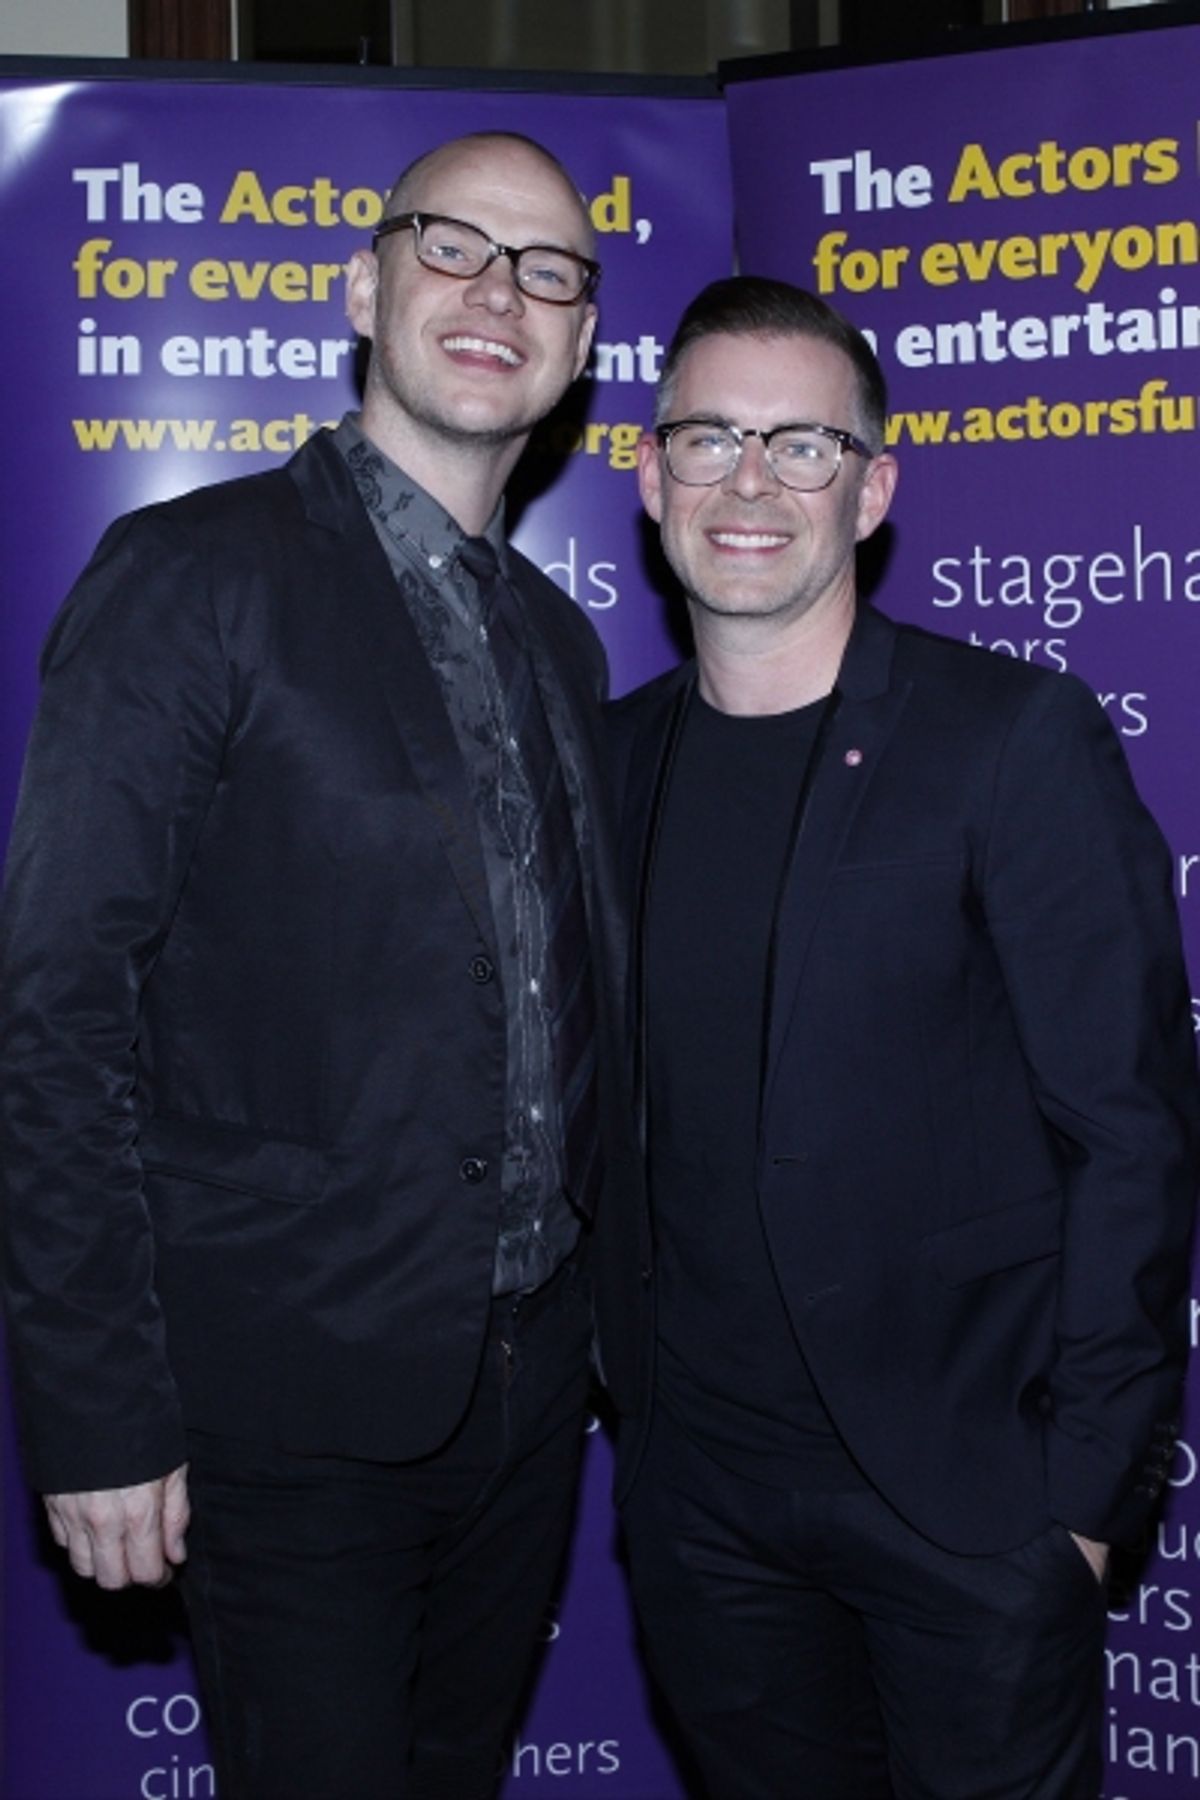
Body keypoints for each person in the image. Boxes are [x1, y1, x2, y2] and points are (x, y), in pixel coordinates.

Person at [0, 131, 645, 1800]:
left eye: (549, 271)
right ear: (362, 289)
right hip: (282, 1408)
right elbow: (59, 1012)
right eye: (454, 247)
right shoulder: (189, 577)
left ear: (580, 350)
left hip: (522, 1402)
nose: (499, 292)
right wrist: (96, 1412)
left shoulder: (560, 641)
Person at [607, 275, 1199, 1800]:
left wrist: (1079, 1501)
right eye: (709, 439)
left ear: (872, 490)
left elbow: (1131, 1131)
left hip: (969, 1507)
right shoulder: (608, 759)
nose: (749, 485)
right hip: (701, 1506)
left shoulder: (1010, 737)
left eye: (802, 446)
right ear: (647, 468)